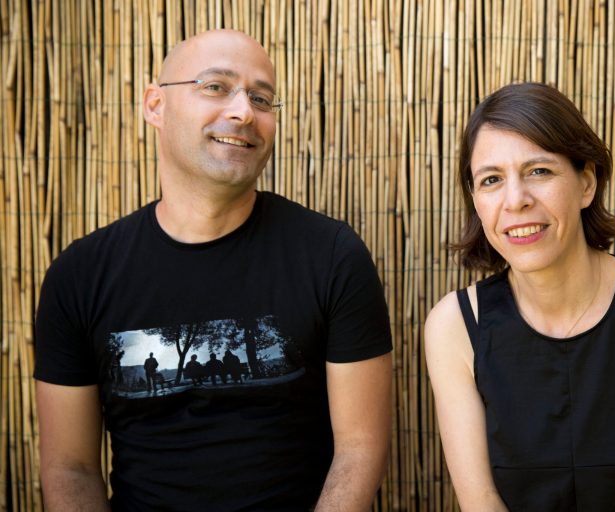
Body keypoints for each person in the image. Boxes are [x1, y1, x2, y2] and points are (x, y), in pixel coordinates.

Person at [34, 29, 392, 511]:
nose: (244, 112)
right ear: (155, 106)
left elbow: (358, 450)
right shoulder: (79, 275)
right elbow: (69, 467)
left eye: (262, 98)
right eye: (215, 87)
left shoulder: (331, 256)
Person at [425, 82, 615, 511]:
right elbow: (482, 503)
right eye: (491, 180)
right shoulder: (455, 326)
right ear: (475, 201)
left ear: (586, 184)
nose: (516, 201)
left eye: (539, 171)